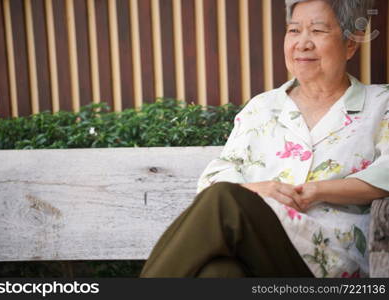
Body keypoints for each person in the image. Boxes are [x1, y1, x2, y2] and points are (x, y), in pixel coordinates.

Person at [140, 0, 389, 278]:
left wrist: (317, 190)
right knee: (219, 273)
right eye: (294, 31)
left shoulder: (381, 104)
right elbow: (214, 177)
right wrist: (261, 189)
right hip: (256, 254)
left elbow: (387, 172)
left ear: (350, 45)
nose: (302, 43)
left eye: (317, 31)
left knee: (224, 199)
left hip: (325, 263)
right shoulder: (261, 107)